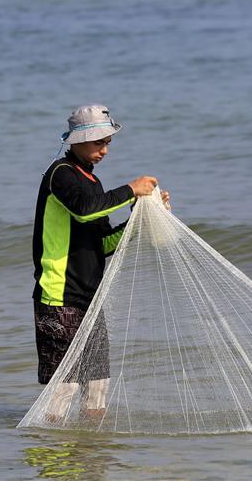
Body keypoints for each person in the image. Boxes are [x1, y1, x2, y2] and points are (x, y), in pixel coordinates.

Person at [31, 105, 169, 422]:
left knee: (97, 386)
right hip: (58, 297)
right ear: (77, 141)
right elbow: (84, 210)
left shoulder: (93, 184)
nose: (104, 150)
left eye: (107, 143)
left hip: (89, 300)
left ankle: (91, 456)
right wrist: (130, 190)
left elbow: (104, 243)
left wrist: (140, 216)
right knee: (62, 389)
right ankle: (53, 458)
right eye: (98, 142)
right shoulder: (60, 175)